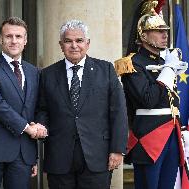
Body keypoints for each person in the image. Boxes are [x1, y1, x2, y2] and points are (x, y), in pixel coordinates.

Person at [35, 19, 128, 189]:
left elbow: (118, 111)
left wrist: (117, 149)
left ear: (88, 43)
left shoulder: (106, 70)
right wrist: (41, 125)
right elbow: (42, 109)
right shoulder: (47, 74)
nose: (74, 46)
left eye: (79, 41)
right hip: (59, 156)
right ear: (61, 45)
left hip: (98, 156)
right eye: (68, 41)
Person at [115, 1, 188, 188]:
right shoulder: (133, 64)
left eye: (165, 30)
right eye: (158, 31)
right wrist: (168, 70)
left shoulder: (165, 61)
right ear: (144, 35)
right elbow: (148, 99)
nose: (165, 35)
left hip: (171, 133)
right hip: (149, 137)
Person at [0, 16, 47, 189]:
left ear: (25, 40)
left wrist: (33, 150)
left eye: (18, 36)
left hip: (23, 152)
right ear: (0, 39)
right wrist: (28, 128)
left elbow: (37, 107)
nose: (14, 41)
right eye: (8, 36)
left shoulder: (34, 72)